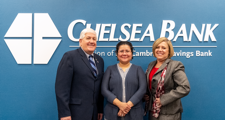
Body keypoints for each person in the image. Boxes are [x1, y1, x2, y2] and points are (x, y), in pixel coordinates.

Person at [55, 28, 104, 120]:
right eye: (88, 38)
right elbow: (61, 89)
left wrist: (100, 110)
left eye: (94, 39)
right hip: (75, 113)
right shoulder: (70, 57)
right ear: (80, 41)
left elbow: (98, 88)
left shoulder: (99, 60)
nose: (91, 41)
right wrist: (64, 113)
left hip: (94, 113)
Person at [144, 37, 190, 120]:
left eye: (163, 48)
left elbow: (184, 87)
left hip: (169, 113)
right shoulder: (151, 65)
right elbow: (150, 85)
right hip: (153, 111)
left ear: (169, 51)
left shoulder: (175, 65)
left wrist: (163, 99)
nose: (160, 50)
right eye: (157, 47)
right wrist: (145, 95)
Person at [101, 41, 147, 120]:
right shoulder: (110, 69)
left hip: (135, 113)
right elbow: (104, 90)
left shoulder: (138, 69)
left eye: (127, 51)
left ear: (132, 53)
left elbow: (142, 89)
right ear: (117, 53)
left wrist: (127, 106)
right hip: (112, 113)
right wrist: (120, 104)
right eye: (121, 51)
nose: (124, 54)